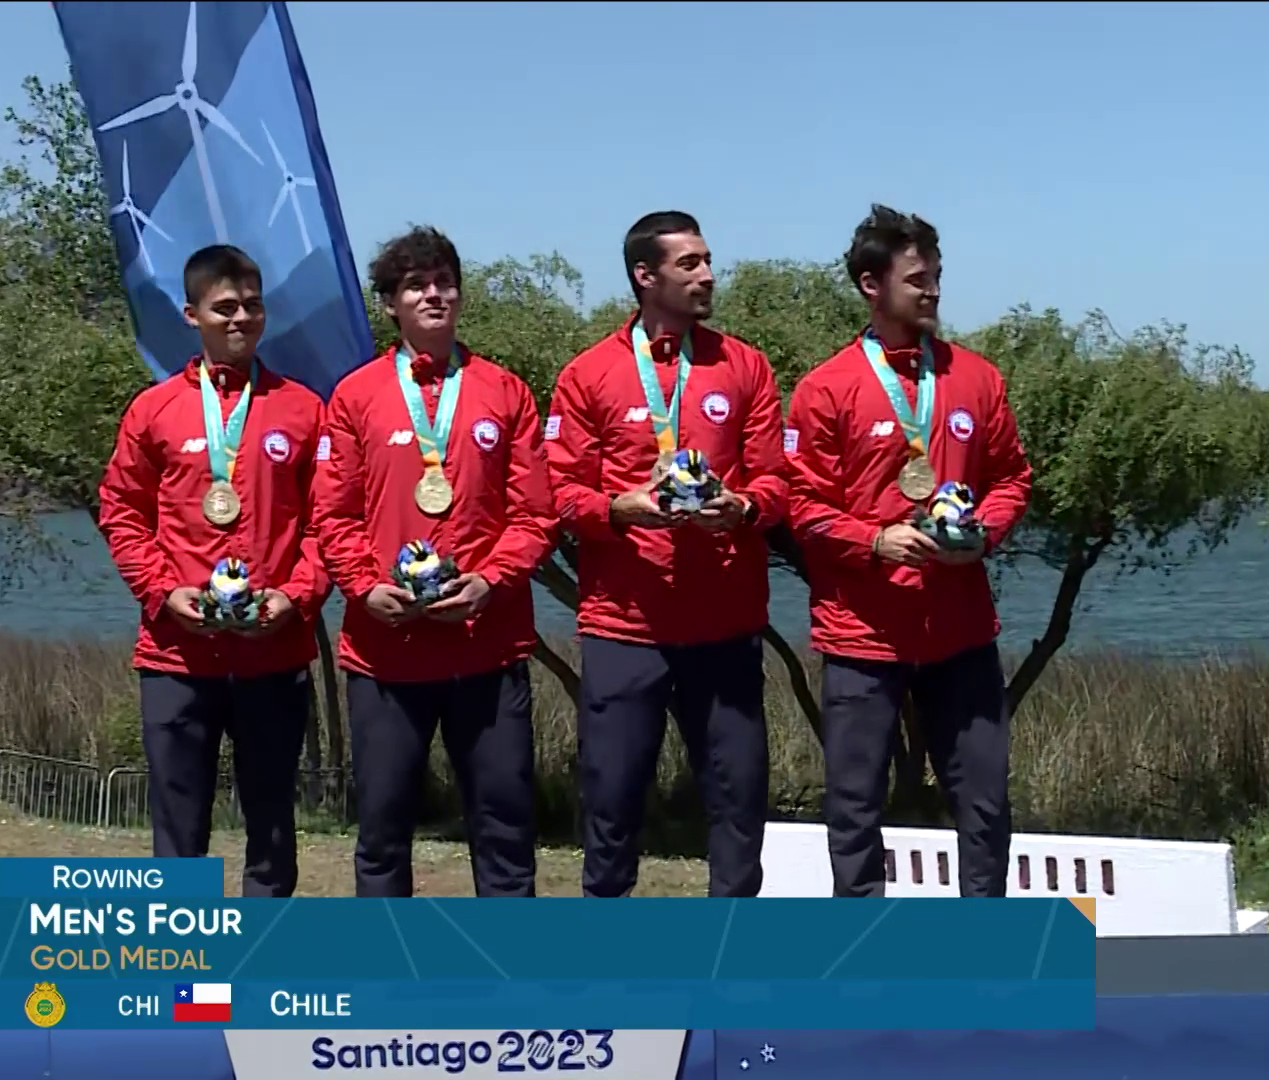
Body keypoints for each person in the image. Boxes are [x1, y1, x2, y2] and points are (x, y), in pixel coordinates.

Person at [784, 204, 1034, 898]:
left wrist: (985, 529)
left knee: (984, 800)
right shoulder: (825, 388)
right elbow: (802, 507)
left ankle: (982, 951)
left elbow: (1013, 476)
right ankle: (865, 955)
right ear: (872, 284)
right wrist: (875, 539)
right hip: (863, 635)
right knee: (856, 806)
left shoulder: (977, 378)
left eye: (938, 277)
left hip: (959, 630)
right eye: (918, 278)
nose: (933, 291)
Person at [544, 210, 789, 898]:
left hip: (725, 626)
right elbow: (560, 492)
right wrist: (616, 508)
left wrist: (742, 506)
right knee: (613, 806)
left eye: (708, 260)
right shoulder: (588, 374)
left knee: (739, 807)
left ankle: (726, 984)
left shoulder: (746, 365)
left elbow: (778, 481)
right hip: (626, 629)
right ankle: (605, 976)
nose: (708, 274)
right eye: (690, 264)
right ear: (645, 276)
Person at [311, 225, 555, 898]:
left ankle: (510, 984)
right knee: (384, 830)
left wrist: (491, 581)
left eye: (445, 281)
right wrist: (362, 588)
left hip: (489, 643)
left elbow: (537, 515)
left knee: (505, 827)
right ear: (390, 303)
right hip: (387, 652)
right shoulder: (354, 396)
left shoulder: (506, 392)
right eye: (416, 284)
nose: (434, 294)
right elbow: (332, 517)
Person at [96, 244, 329, 898]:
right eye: (224, 307)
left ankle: (256, 978)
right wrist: (161, 591)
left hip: (273, 654)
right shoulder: (154, 410)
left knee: (273, 830)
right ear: (190, 314)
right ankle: (192, 986)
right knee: (178, 835)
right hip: (177, 658)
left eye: (252, 306)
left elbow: (329, 524)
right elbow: (120, 511)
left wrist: (299, 595)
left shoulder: (304, 410)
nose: (241, 318)